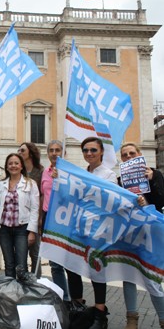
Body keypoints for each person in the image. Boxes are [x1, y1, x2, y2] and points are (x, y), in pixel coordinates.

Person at [65, 136, 117, 329]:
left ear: (101, 151)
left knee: (97, 270)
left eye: (93, 150)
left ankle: (100, 314)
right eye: (86, 150)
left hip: (98, 230)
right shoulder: (80, 174)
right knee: (72, 267)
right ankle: (78, 307)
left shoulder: (109, 175)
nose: (89, 153)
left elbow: (109, 201)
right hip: (78, 227)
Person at [119, 143, 164, 329]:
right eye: (124, 155)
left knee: (151, 277)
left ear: (139, 154)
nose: (128, 157)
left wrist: (152, 182)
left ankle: (162, 318)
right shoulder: (120, 180)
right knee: (128, 274)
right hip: (130, 232)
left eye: (132, 153)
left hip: (151, 233)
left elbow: (161, 202)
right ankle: (132, 319)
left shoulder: (155, 174)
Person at [0, 153, 39, 278]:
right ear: (6, 167)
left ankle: (22, 292)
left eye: (16, 163)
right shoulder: (2, 184)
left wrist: (32, 231)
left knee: (21, 264)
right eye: (10, 163)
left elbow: (35, 209)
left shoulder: (31, 183)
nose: (13, 166)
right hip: (4, 229)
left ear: (21, 166)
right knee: (9, 263)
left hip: (22, 229)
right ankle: (10, 291)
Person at [41, 140, 70, 301]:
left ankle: (74, 299)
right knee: (55, 264)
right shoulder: (45, 172)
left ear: (63, 153)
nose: (54, 153)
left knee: (69, 263)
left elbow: (72, 196)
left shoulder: (70, 173)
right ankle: (62, 298)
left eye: (57, 150)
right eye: (51, 150)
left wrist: (61, 180)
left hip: (64, 219)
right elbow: (42, 195)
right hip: (48, 218)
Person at [18, 142, 44, 277]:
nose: (19, 152)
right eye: (18, 150)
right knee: (20, 253)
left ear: (30, 153)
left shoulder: (40, 171)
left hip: (35, 217)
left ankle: (36, 281)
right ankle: (22, 280)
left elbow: (42, 195)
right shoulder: (18, 172)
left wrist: (39, 218)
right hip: (20, 218)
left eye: (22, 150)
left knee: (35, 253)